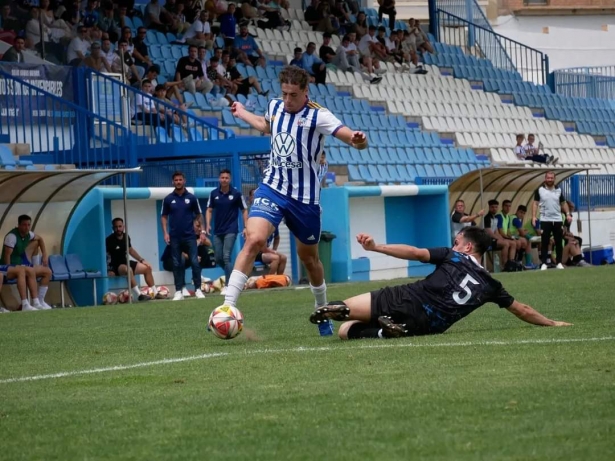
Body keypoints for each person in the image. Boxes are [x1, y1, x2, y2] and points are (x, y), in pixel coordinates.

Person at [226, 65, 368, 336]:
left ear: (305, 91)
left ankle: (322, 309)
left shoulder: (318, 115)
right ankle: (227, 307)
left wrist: (359, 140)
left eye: (293, 95)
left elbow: (351, 137)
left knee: (309, 259)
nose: (288, 100)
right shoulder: (276, 106)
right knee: (255, 240)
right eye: (284, 94)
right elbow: (265, 125)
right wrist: (242, 112)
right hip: (272, 188)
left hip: (305, 200)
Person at [309, 227, 572, 340]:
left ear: (467, 246)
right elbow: (521, 309)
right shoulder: (491, 285)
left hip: (408, 296)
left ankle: (343, 310)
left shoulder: (453, 254)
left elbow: (414, 252)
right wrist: (552, 323)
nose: (454, 244)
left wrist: (376, 247)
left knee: (344, 326)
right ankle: (382, 332)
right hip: (429, 325)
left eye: (457, 241)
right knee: (353, 329)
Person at [161, 171, 207, 301]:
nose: (178, 182)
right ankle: (178, 291)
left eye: (180, 180)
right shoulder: (168, 199)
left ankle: (198, 289)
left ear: (184, 181)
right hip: (175, 237)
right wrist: (165, 233)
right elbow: (164, 217)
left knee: (194, 261)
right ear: (173, 182)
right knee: (177, 263)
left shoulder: (192, 198)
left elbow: (199, 215)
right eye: (176, 180)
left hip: (190, 236)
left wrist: (202, 231)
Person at [206, 169, 248, 295]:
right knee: (218, 257)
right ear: (219, 179)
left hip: (231, 229)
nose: (224, 180)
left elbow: (244, 210)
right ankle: (235, 277)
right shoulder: (214, 194)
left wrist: (246, 227)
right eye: (222, 177)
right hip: (218, 230)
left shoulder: (236, 194)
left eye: (226, 178)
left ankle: (229, 286)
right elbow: (209, 210)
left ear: (230, 179)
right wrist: (207, 225)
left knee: (226, 256)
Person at [2, 215, 52, 309]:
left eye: (28, 225)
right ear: (18, 225)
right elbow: (7, 256)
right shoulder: (11, 236)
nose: (27, 227)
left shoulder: (29, 234)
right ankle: (25, 304)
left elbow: (40, 239)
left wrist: (45, 255)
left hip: (23, 264)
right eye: (24, 225)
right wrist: (10, 270)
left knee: (47, 271)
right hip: (12, 266)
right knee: (25, 270)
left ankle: (39, 301)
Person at [105, 217, 160, 301]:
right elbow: (106, 256)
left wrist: (142, 260)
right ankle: (139, 295)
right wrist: (109, 269)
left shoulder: (126, 237)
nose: (118, 229)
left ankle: (155, 293)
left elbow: (130, 250)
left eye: (120, 226)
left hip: (126, 261)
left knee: (147, 268)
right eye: (116, 227)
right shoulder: (109, 240)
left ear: (123, 227)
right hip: (117, 266)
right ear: (113, 228)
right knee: (129, 270)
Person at [532, 171, 571, 271]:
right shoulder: (539, 190)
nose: (550, 180)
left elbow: (563, 203)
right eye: (548, 178)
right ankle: (544, 263)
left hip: (557, 219)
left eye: (551, 178)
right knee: (545, 242)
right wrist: (533, 216)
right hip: (545, 219)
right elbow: (535, 203)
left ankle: (559, 262)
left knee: (559, 242)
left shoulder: (558, 190)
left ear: (554, 179)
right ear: (545, 179)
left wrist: (567, 214)